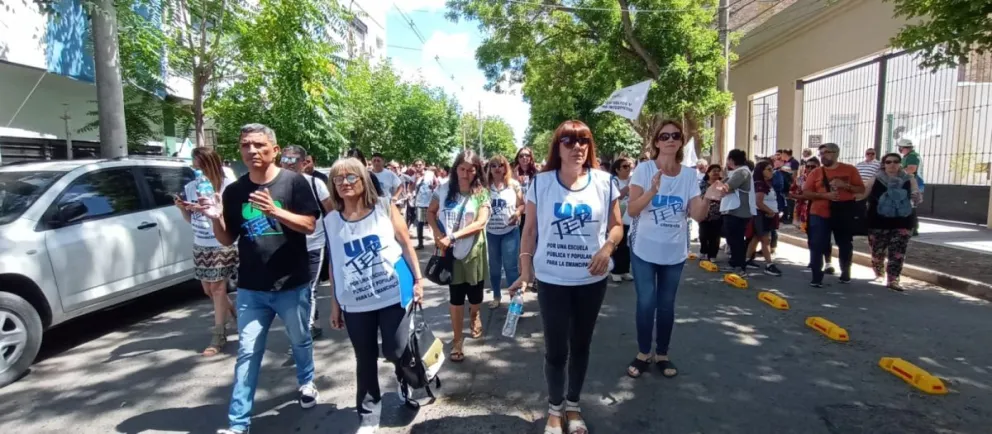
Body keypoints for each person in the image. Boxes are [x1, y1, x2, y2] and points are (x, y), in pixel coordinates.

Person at [508, 120, 623, 434]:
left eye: (583, 140)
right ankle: (554, 409)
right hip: (552, 281)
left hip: (591, 281)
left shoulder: (605, 182)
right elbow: (529, 231)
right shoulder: (541, 183)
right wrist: (525, 271)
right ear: (557, 147)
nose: (577, 147)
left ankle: (573, 406)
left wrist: (607, 248)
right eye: (569, 141)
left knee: (581, 345)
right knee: (556, 350)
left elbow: (617, 226)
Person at [210, 124, 320, 434]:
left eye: (259, 145)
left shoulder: (294, 182)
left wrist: (275, 211)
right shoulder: (234, 192)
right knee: (247, 353)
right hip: (251, 288)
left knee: (300, 339)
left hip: (291, 284)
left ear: (275, 149)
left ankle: (306, 380)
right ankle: (238, 424)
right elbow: (227, 238)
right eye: (246, 145)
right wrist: (214, 219)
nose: (252, 150)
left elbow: (309, 225)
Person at [324, 158, 425, 433]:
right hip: (355, 301)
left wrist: (418, 280)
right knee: (365, 357)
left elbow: (406, 244)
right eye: (338, 179)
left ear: (363, 180)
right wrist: (335, 303)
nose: (344, 183)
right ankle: (368, 414)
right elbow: (334, 263)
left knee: (395, 349)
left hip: (392, 294)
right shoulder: (331, 220)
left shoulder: (383, 207)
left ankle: (405, 379)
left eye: (351, 177)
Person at [625, 120, 712, 380]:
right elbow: (632, 210)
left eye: (675, 135)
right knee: (646, 302)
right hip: (643, 247)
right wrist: (652, 190)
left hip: (674, 250)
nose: (670, 139)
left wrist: (709, 197)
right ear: (656, 142)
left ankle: (662, 354)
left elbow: (697, 215)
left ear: (681, 141)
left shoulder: (689, 176)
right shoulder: (644, 169)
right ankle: (643, 353)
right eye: (664, 136)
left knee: (666, 305)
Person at [428, 150, 491, 363]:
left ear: (477, 171)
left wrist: (453, 236)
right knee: (456, 297)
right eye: (462, 169)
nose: (465, 174)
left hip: (473, 251)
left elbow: (480, 223)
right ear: (455, 169)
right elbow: (430, 212)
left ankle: (475, 314)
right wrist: (438, 234)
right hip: (451, 253)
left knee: (475, 295)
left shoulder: (481, 193)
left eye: (471, 170)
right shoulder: (443, 189)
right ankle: (457, 340)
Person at [175, 147, 238, 356]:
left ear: (209, 164)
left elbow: (232, 216)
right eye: (195, 167)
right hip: (200, 243)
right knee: (208, 290)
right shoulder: (191, 187)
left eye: (200, 166)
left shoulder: (227, 185)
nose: (197, 171)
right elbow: (190, 219)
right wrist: (184, 208)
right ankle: (234, 313)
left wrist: (214, 211)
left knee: (218, 288)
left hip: (222, 241)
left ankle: (219, 335)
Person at [280, 145, 334, 339]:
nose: (288, 164)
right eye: (285, 159)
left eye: (293, 160)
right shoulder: (274, 185)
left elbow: (331, 211)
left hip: (314, 244)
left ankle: (306, 329)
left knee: (310, 288)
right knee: (294, 289)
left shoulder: (315, 183)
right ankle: (313, 322)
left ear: (304, 163)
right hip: (287, 247)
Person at [802, 142, 865, 287]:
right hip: (819, 213)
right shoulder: (816, 172)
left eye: (826, 152)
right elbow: (806, 192)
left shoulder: (850, 170)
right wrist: (825, 196)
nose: (823, 156)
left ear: (836, 153)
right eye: (821, 153)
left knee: (845, 243)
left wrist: (845, 186)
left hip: (843, 211)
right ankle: (816, 276)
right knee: (817, 243)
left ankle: (845, 272)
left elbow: (861, 189)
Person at [867, 152, 921, 291]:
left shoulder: (909, 178)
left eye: (896, 161)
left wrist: (916, 196)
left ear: (900, 164)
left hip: (903, 220)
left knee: (898, 252)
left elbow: (916, 193)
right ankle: (879, 271)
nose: (892, 164)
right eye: (889, 162)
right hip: (878, 221)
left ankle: (893, 279)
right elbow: (863, 194)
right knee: (877, 252)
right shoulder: (875, 179)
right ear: (884, 164)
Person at [485, 154, 523, 309]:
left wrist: (517, 213)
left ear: (506, 167)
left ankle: (515, 301)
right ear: (489, 169)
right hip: (491, 233)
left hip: (510, 232)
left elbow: (522, 204)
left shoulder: (514, 185)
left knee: (511, 268)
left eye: (500, 165)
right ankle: (496, 296)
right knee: (494, 268)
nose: (497, 169)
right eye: (493, 165)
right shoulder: (485, 187)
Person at [790, 157, 835, 274]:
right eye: (808, 166)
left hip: (823, 210)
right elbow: (792, 192)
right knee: (812, 237)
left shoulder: (824, 178)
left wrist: (809, 196)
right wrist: (803, 196)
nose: (809, 169)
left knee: (825, 237)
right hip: (806, 212)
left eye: (813, 166)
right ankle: (814, 260)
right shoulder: (800, 179)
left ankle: (828, 262)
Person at [718, 149, 756, 276]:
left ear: (731, 160)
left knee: (736, 239)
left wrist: (720, 189)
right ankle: (734, 263)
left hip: (738, 210)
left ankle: (739, 266)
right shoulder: (739, 172)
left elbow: (726, 187)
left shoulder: (742, 172)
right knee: (732, 239)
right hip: (734, 210)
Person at [745, 160, 783, 276]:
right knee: (765, 239)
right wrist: (770, 211)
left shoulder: (767, 183)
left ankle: (747, 259)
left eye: (772, 169)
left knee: (756, 237)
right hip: (762, 214)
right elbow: (758, 202)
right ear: (761, 171)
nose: (772, 172)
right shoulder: (760, 184)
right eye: (769, 169)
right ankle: (769, 264)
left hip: (767, 214)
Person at [610, 157, 635, 282]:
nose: (628, 169)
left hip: (630, 218)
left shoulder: (632, 180)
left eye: (629, 166)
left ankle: (625, 270)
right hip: (618, 218)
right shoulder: (614, 181)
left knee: (628, 246)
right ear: (617, 169)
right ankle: (615, 270)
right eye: (625, 166)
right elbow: (618, 196)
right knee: (618, 245)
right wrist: (629, 187)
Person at [698, 164, 724, 261]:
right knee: (703, 234)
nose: (716, 173)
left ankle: (712, 255)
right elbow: (698, 196)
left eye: (718, 171)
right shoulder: (702, 184)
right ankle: (703, 251)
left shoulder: (722, 184)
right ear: (708, 173)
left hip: (717, 214)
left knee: (715, 235)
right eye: (714, 170)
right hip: (704, 212)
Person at [898, 141, 924, 236]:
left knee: (910, 206)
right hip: (911, 183)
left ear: (904, 148)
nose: (900, 149)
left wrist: (898, 172)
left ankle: (912, 228)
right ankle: (910, 227)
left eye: (900, 147)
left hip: (912, 183)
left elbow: (911, 169)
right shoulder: (909, 156)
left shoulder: (912, 156)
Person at [411, 159, 437, 249]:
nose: (418, 167)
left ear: (424, 165)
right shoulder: (414, 176)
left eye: (420, 165)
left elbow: (437, 184)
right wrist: (416, 179)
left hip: (430, 201)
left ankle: (437, 241)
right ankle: (420, 243)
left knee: (433, 222)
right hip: (420, 202)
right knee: (420, 223)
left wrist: (433, 187)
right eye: (416, 165)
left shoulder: (430, 174)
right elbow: (411, 188)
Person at [513, 147, 538, 231]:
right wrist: (515, 178)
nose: (524, 157)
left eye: (527, 155)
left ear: (531, 157)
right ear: (518, 158)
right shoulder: (511, 173)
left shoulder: (537, 173)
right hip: (517, 210)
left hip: (532, 209)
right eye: (521, 156)